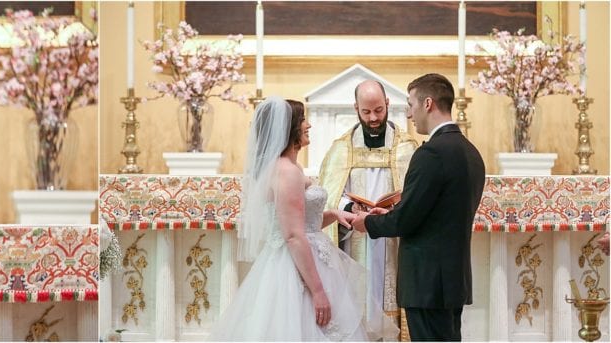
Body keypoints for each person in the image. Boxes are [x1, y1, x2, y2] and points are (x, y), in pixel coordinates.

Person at [208, 97, 374, 341]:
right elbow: (294, 235)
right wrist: (317, 291)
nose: (308, 125)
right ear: (288, 128)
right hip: (294, 268)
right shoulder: (286, 171)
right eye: (303, 120)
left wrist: (335, 214)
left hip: (305, 256)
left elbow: (302, 224)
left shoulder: (287, 167)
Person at [353, 73, 486, 341]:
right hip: (452, 280)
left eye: (411, 106)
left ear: (428, 104)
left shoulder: (431, 153)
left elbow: (407, 220)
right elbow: (434, 212)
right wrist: (392, 213)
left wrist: (366, 222)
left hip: (427, 283)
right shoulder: (470, 151)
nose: (410, 116)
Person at [319, 80, 416, 339]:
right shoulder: (342, 148)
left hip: (393, 241)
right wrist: (349, 207)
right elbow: (328, 196)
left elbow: (418, 196)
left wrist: (396, 206)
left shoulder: (407, 148)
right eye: (366, 112)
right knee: (359, 304)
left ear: (387, 104)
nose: (373, 118)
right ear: (356, 109)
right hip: (357, 239)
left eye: (378, 110)